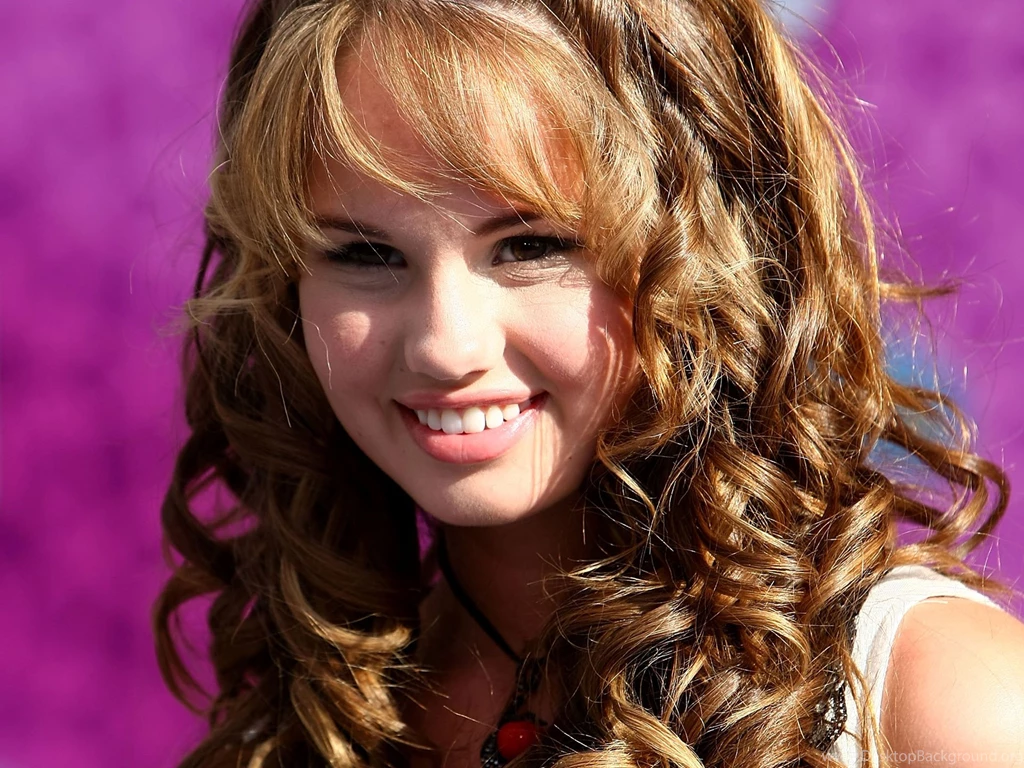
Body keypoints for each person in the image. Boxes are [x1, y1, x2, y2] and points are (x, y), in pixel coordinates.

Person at [154, 0, 1024, 767]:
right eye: (366, 254)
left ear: (716, 247)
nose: (444, 346)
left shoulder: (937, 705)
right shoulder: (318, 707)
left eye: (532, 245)